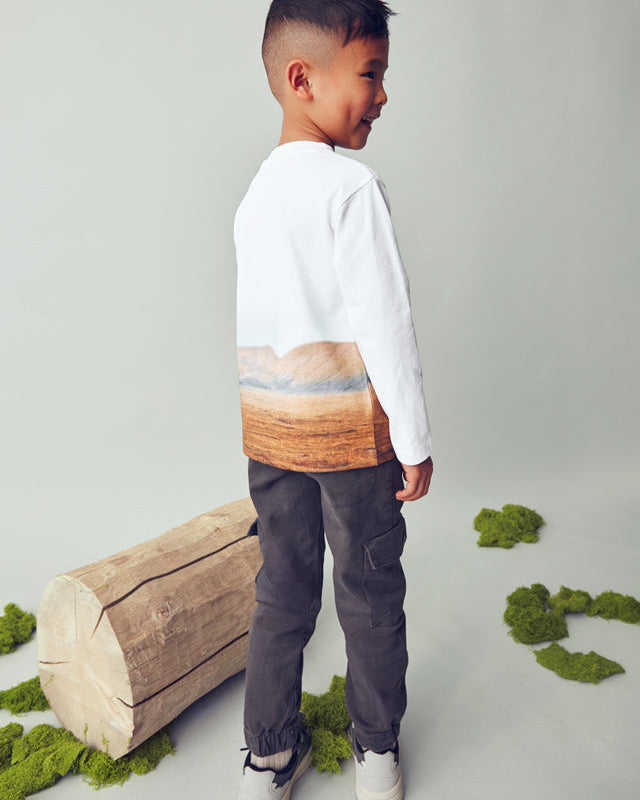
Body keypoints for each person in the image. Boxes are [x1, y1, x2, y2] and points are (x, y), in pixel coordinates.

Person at [234, 2, 433, 798]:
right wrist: (412, 440)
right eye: (371, 74)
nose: (382, 95)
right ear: (302, 78)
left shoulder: (255, 198)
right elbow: (386, 323)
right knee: (370, 592)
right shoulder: (350, 189)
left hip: (272, 437)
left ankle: (269, 756)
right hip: (350, 442)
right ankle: (376, 751)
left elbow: (261, 326)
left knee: (280, 595)